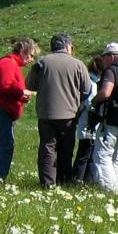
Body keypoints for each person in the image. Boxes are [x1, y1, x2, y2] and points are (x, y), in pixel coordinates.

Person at [25, 33, 92, 188]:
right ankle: (64, 180)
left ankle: (48, 183)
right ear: (68, 46)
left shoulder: (42, 63)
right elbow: (87, 90)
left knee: (48, 148)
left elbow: (30, 85)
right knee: (66, 150)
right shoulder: (78, 64)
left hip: (46, 114)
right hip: (69, 114)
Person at [0, 37, 39, 180]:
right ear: (22, 51)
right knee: (6, 145)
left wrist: (21, 97)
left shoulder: (11, 64)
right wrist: (22, 93)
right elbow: (5, 85)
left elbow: (7, 88)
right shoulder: (8, 64)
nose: (31, 59)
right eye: (31, 55)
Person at [88, 42, 118, 193]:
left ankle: (110, 191)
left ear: (112, 56)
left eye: (105, 57)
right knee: (117, 157)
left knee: (102, 156)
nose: (103, 60)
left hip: (112, 119)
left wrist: (94, 101)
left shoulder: (112, 70)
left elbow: (106, 93)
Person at [70, 54, 104, 184]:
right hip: (89, 125)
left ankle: (82, 180)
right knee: (85, 155)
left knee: (85, 154)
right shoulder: (93, 85)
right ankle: (78, 180)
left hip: (85, 123)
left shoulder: (86, 81)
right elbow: (90, 104)